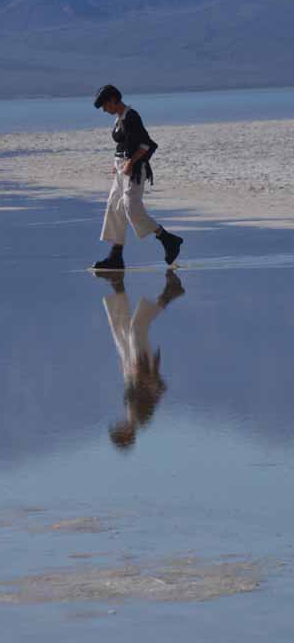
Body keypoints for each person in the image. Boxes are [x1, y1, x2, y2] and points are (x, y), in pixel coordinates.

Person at [93, 84, 183, 270]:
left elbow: (146, 145)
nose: (104, 110)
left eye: (104, 105)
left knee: (131, 208)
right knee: (114, 207)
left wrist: (130, 162)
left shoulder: (132, 116)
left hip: (133, 170)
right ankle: (115, 256)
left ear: (113, 100)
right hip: (121, 169)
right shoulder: (119, 119)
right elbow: (124, 143)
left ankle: (167, 238)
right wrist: (117, 162)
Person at [96, 269, 185, 449]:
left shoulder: (133, 415)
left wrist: (128, 374)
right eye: (120, 431)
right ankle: (169, 294)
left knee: (128, 327)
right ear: (127, 434)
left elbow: (137, 388)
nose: (118, 425)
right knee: (137, 327)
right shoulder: (142, 416)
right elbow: (158, 389)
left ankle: (122, 287)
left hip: (132, 363)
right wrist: (144, 376)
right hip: (142, 364)